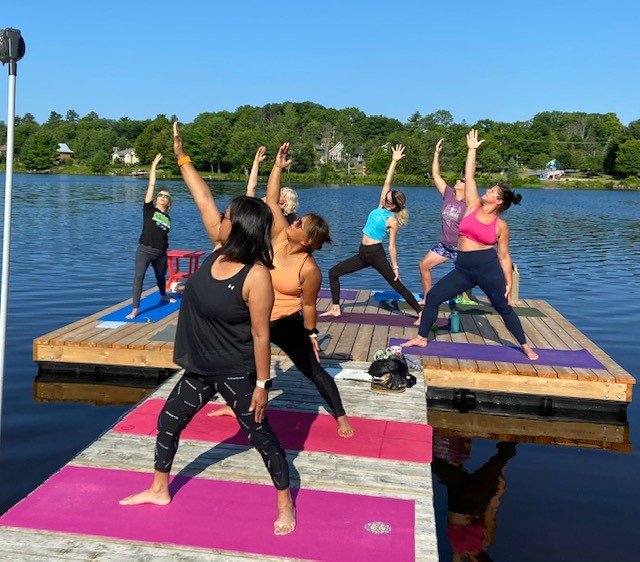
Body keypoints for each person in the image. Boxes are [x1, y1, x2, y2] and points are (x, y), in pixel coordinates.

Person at [120, 122, 296, 536]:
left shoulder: (257, 276)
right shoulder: (218, 247)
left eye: (227, 215)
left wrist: (263, 385)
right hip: (199, 367)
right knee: (168, 422)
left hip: (236, 371)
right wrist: (182, 156)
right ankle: (159, 488)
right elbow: (201, 196)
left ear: (240, 226)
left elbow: (260, 335)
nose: (220, 215)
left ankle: (285, 502)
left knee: (262, 438)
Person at [212, 143, 354, 438]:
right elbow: (273, 201)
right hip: (258, 318)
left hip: (287, 323)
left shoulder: (309, 269)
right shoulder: (277, 237)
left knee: (313, 371)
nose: (295, 220)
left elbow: (310, 306)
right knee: (241, 363)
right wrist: (276, 167)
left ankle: (340, 416)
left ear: (306, 239)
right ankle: (237, 405)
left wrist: (312, 334)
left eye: (300, 223)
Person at [402, 129, 539, 361]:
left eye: (493, 191)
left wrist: (508, 281)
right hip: (463, 268)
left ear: (499, 201)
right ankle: (422, 337)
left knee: (503, 307)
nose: (488, 191)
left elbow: (504, 256)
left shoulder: (500, 226)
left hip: (487, 268)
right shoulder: (473, 204)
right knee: (434, 297)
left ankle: (525, 346)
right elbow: (470, 175)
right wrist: (471, 150)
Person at [321, 144, 422, 318]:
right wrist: (394, 161)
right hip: (362, 253)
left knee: (396, 284)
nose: (384, 196)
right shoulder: (380, 206)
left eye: (387, 197)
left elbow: (392, 247)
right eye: (386, 195)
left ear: (393, 205)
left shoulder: (392, 220)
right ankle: (336, 308)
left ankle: (420, 313)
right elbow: (387, 182)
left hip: (376, 254)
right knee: (333, 272)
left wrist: (396, 267)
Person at [126, 153, 175, 319]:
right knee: (138, 276)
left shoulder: (168, 218)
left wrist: (164, 251)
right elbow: (152, 185)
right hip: (144, 250)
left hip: (160, 252)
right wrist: (153, 166)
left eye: (165, 196)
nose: (162, 197)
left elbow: (163, 235)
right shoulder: (149, 210)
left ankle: (163, 295)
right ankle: (135, 309)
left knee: (161, 276)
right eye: (160, 195)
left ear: (168, 202)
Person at [418, 138, 467, 300]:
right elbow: (436, 175)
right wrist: (436, 154)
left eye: (462, 180)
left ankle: (465, 297)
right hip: (445, 246)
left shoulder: (471, 203)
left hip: (461, 248)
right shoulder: (448, 194)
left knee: (469, 276)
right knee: (424, 265)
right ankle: (427, 297)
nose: (458, 181)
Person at [246, 146, 299, 224]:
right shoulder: (258, 210)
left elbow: (251, 190)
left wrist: (278, 166)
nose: (273, 195)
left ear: (285, 205)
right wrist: (256, 162)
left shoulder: (281, 221)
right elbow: (251, 188)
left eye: (278, 197)